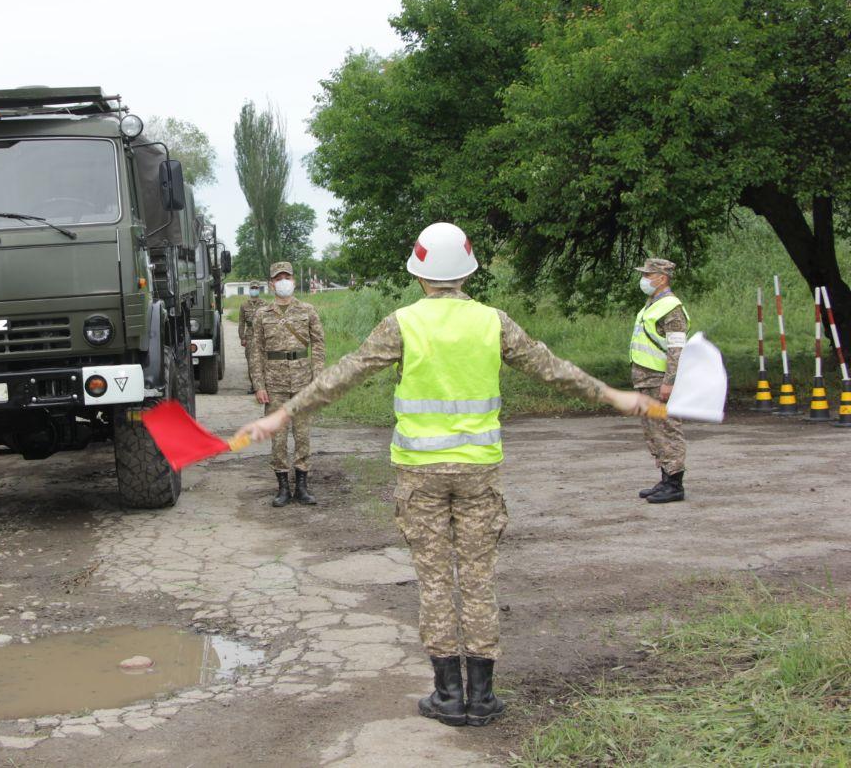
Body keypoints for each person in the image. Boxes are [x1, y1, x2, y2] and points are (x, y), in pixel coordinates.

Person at [236, 223, 652, 726]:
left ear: (418, 273)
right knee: (477, 579)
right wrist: (614, 396)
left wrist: (282, 414)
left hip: (420, 474)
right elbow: (551, 369)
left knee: (435, 582)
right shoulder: (493, 321)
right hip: (478, 471)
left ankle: (447, 696)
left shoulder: (401, 323)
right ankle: (483, 698)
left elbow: (344, 374)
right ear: (469, 270)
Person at [248, 262, 326, 507]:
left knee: (302, 435)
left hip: (303, 381)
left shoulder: (307, 310)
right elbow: (256, 352)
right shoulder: (262, 314)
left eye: (286, 277)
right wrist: (259, 384)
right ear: (271, 283)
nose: (283, 281)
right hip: (274, 384)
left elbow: (319, 344)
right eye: (278, 278)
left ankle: (302, 485)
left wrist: (318, 376)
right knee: (278, 438)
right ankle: (282, 487)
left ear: (293, 281)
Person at [630, 258, 690, 504]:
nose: (644, 279)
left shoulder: (671, 307)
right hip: (646, 379)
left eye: (648, 274)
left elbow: (677, 349)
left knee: (667, 428)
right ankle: (666, 478)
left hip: (659, 379)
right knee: (653, 429)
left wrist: (670, 382)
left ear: (662, 278)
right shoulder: (652, 304)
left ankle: (675, 483)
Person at [239, 281, 266, 396]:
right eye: (252, 288)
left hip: (262, 334)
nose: (254, 289)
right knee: (251, 361)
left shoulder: (265, 304)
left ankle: (263, 384)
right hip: (249, 335)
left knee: (263, 360)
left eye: (256, 287)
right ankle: (253, 385)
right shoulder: (244, 305)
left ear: (259, 289)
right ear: (249, 289)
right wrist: (242, 337)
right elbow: (241, 322)